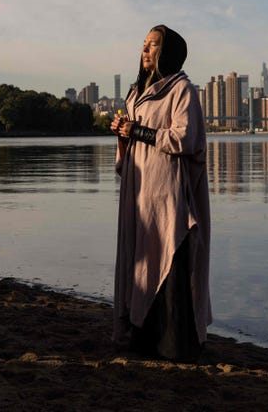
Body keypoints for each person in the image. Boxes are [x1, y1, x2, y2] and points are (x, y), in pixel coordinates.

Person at [110, 24, 211, 362]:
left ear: (168, 51)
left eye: (153, 44)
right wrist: (124, 135)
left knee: (168, 259)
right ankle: (140, 338)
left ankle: (173, 345)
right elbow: (133, 148)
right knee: (141, 263)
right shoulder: (137, 92)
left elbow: (185, 139)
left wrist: (136, 129)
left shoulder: (182, 89)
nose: (146, 49)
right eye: (144, 44)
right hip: (140, 194)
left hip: (166, 194)